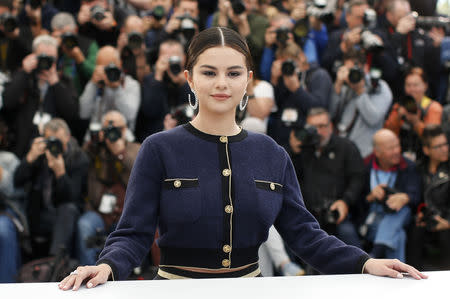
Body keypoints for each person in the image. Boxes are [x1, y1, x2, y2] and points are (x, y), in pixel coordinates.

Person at [59, 27, 426, 291]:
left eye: (233, 73)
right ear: (189, 79)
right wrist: (107, 265)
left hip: (253, 289)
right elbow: (133, 233)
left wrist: (365, 262)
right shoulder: (158, 148)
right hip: (174, 290)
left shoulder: (272, 153)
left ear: (248, 81)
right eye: (209, 72)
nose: (222, 83)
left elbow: (304, 234)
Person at [14, 118, 89, 258]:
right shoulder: (40, 154)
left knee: (67, 209)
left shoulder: (79, 158)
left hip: (64, 216)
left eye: (58, 141)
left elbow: (73, 198)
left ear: (68, 137)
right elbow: (17, 181)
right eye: (51, 140)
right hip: (38, 213)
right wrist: (30, 158)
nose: (55, 146)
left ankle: (54, 263)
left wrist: (60, 173)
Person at [289, 108, 364, 248]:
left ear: (331, 127)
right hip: (308, 215)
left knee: (347, 235)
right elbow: (290, 179)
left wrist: (345, 201)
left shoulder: (345, 147)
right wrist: (295, 152)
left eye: (322, 126)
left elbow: (358, 178)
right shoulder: (303, 150)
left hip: (338, 214)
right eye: (313, 128)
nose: (318, 132)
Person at [76, 110, 140, 266]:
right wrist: (95, 142)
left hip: (125, 214)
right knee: (84, 225)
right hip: (98, 212)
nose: (112, 132)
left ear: (124, 130)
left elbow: (139, 179)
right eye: (108, 128)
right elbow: (80, 159)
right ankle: (89, 272)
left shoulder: (137, 149)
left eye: (116, 128)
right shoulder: (95, 150)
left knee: (125, 236)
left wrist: (120, 154)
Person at [1, 34, 79, 159]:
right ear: (33, 57)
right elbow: (7, 102)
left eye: (51, 59)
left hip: (55, 149)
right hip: (22, 147)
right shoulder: (23, 77)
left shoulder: (64, 81)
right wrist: (24, 73)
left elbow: (72, 114)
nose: (46, 63)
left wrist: (55, 84)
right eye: (43, 57)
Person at [360, 129, 421, 261]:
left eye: (397, 146)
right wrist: (370, 197)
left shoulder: (408, 166)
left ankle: (374, 255)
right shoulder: (364, 166)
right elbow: (355, 202)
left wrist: (405, 197)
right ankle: (399, 274)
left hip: (398, 216)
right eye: (390, 148)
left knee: (402, 209)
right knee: (398, 236)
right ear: (377, 152)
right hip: (373, 220)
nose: (396, 151)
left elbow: (417, 195)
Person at [329, 49, 393, 158]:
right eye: (349, 70)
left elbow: (373, 119)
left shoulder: (379, 87)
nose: (353, 74)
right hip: (341, 149)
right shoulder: (345, 86)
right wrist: (337, 86)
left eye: (356, 69)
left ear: (366, 67)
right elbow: (330, 114)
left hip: (365, 152)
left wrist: (360, 91)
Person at [407, 125, 450, 270]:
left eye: (445, 144)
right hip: (425, 222)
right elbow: (413, 198)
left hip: (445, 221)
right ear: (426, 150)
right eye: (439, 146)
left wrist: (447, 222)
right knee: (415, 232)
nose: (445, 149)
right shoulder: (417, 170)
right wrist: (418, 215)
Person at [79, 46, 141, 137]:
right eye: (104, 68)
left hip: (122, 137)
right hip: (96, 137)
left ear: (120, 64)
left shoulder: (131, 85)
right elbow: (83, 113)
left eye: (112, 67)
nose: (109, 72)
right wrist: (92, 84)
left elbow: (130, 115)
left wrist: (117, 89)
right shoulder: (95, 83)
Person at [385, 67, 443, 162]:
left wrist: (416, 123)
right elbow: (388, 135)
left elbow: (434, 140)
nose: (411, 89)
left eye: (415, 85)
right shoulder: (399, 106)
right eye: (408, 85)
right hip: (401, 157)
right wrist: (397, 117)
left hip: (425, 159)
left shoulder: (433, 108)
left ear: (425, 86)